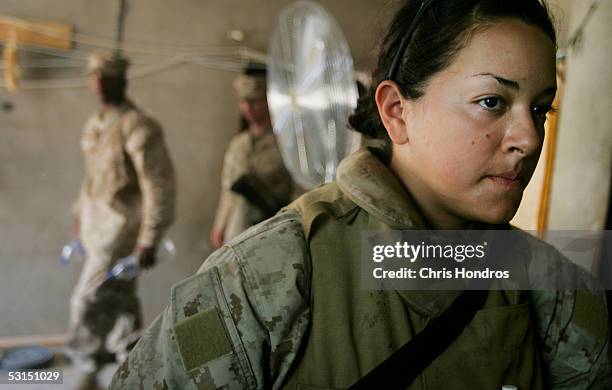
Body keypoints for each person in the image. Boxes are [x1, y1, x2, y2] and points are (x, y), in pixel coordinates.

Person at [110, 1, 611, 389]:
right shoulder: (266, 278)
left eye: (540, 109)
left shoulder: (553, 289)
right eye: (491, 101)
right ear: (396, 111)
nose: (528, 137)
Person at [68, 53, 176, 390]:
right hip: (95, 228)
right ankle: (129, 352)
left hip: (123, 231)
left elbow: (158, 184)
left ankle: (84, 359)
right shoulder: (94, 124)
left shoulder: (138, 126)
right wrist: (79, 218)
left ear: (122, 80)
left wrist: (150, 237)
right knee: (121, 295)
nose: (99, 84)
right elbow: (90, 181)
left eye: (107, 77)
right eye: (94, 77)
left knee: (86, 298)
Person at [209, 63, 293, 249]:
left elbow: (295, 192)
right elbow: (227, 190)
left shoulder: (285, 143)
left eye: (255, 101)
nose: (248, 107)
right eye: (244, 102)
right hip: (236, 231)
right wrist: (219, 225)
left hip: (269, 233)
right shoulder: (238, 144)